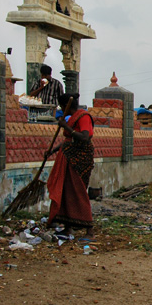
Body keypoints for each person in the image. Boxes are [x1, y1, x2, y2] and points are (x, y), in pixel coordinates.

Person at [46, 93, 95, 240]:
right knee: (66, 191)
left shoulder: (83, 117)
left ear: (66, 106)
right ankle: (68, 228)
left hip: (79, 159)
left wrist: (66, 126)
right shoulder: (73, 118)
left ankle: (90, 231)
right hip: (68, 156)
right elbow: (69, 139)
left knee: (78, 191)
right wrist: (52, 151)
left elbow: (84, 137)